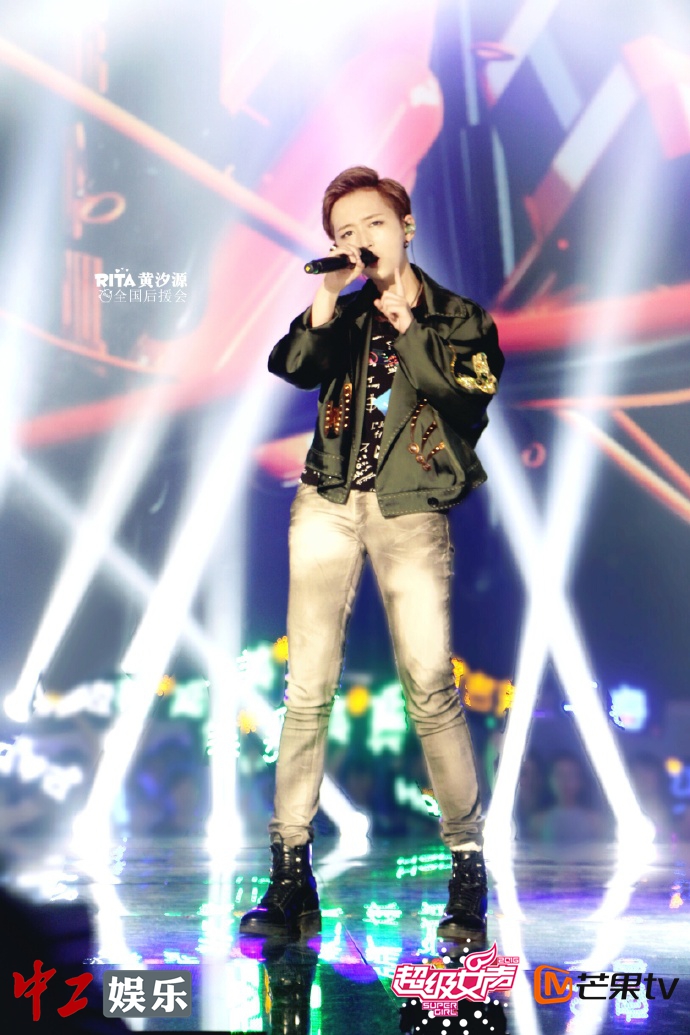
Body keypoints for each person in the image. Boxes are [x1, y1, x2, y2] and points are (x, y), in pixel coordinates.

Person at [240, 166, 504, 942]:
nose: (359, 239)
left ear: (406, 227)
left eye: (372, 225)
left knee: (430, 686)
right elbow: (292, 366)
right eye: (344, 232)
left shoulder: (459, 317)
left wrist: (411, 326)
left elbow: (467, 399)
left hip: (410, 507)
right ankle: (290, 875)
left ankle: (466, 870)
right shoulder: (345, 315)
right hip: (326, 501)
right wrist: (326, 300)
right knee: (306, 688)